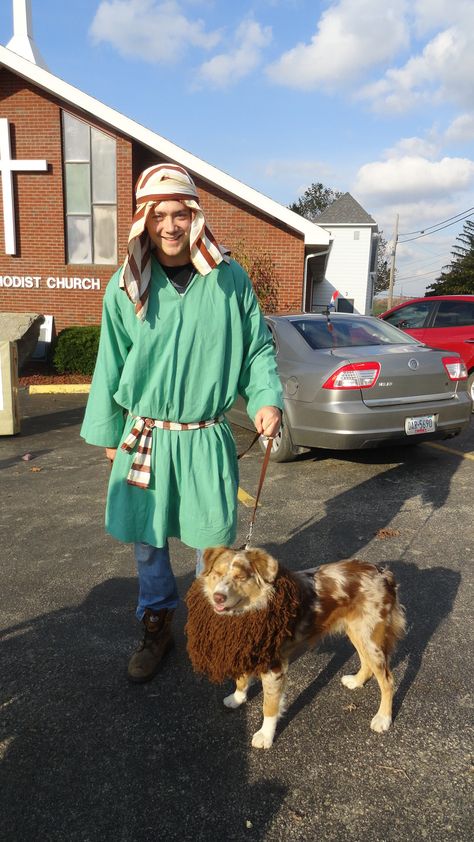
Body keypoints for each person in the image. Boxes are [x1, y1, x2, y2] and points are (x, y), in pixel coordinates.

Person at [80, 163, 282, 683]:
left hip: (205, 436)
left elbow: (258, 349)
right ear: (143, 222)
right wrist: (109, 434)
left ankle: (209, 632)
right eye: (159, 215)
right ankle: (157, 626)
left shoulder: (229, 280)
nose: (170, 226)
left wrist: (267, 397)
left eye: (180, 213)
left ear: (195, 217)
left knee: (211, 543)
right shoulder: (125, 284)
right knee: (148, 542)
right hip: (145, 436)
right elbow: (111, 361)